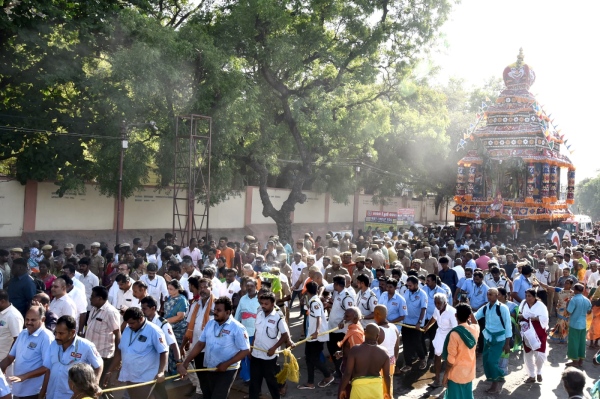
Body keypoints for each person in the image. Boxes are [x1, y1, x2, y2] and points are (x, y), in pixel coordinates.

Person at [177, 297, 251, 399]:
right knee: (208, 395)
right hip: (210, 367)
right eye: (214, 309)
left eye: (219, 310)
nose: (215, 312)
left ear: (228, 312)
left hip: (227, 369)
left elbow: (245, 350)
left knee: (218, 396)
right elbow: (200, 344)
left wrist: (226, 364)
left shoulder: (237, 328)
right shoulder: (210, 324)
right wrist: (185, 363)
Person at [106, 307, 167, 399]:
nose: (130, 326)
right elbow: (120, 351)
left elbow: (163, 351)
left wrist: (161, 372)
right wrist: (110, 370)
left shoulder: (154, 330)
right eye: (128, 323)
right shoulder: (127, 330)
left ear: (141, 319)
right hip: (130, 375)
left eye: (132, 323)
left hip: (145, 376)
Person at [40, 316, 103, 399]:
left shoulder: (86, 346)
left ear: (72, 332)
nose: (57, 336)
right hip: (52, 395)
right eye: (56, 332)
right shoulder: (53, 344)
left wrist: (95, 384)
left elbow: (99, 365)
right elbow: (48, 370)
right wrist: (42, 394)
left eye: (61, 333)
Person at [0, 305, 53, 399]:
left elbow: (47, 367)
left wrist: (24, 376)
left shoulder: (46, 337)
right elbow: (10, 357)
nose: (29, 322)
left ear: (43, 319)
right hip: (17, 389)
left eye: (33, 320)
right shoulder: (23, 333)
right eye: (27, 319)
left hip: (34, 391)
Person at [249, 292, 293, 399]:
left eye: (266, 304)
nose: (263, 306)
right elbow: (256, 331)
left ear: (273, 304)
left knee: (271, 383)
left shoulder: (278, 318)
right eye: (262, 303)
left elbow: (285, 335)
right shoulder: (259, 314)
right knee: (254, 383)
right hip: (256, 355)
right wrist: (252, 346)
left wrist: (274, 348)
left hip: (269, 357)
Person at [84, 286, 121, 396]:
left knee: (102, 388)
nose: (90, 298)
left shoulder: (111, 312)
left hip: (104, 357)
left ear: (100, 298)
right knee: (90, 387)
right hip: (90, 355)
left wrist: (117, 358)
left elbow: (117, 334)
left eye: (92, 296)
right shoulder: (93, 309)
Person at [474, 288, 512, 394]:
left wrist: (507, 344)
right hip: (488, 338)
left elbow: (508, 326)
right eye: (488, 294)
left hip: (499, 339)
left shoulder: (503, 308)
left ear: (497, 295)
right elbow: (475, 316)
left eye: (491, 294)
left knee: (492, 362)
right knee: (486, 361)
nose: (489, 296)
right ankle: (500, 375)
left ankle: (495, 385)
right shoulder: (486, 307)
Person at [338, 324, 391, 399]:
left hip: (358, 388)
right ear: (377, 336)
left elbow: (348, 373)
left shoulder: (355, 350)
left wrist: (342, 389)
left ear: (364, 333)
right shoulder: (384, 352)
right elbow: (387, 375)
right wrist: (387, 392)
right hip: (376, 388)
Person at [298, 281, 334, 390]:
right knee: (309, 358)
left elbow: (318, 317)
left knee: (313, 358)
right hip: (312, 335)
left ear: (307, 291)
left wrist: (317, 331)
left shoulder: (314, 302)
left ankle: (328, 376)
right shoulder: (313, 300)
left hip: (316, 336)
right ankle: (310, 382)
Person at [441, 303, 480, 399]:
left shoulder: (454, 334)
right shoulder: (475, 329)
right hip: (469, 372)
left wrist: (446, 375)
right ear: (469, 316)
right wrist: (470, 312)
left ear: (456, 315)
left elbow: (451, 359)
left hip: (456, 373)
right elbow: (476, 323)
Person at [423, 292, 457, 388]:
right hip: (439, 334)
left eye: (439, 303)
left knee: (450, 359)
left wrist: (453, 341)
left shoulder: (452, 312)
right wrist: (426, 327)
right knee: (437, 355)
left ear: (445, 302)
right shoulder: (437, 309)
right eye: (435, 303)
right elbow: (434, 318)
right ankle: (437, 379)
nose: (437, 305)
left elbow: (455, 328)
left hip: (450, 336)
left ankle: (449, 379)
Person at [518, 288, 549, 383]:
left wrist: (535, 318)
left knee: (539, 354)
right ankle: (531, 375)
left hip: (538, 331)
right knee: (528, 354)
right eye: (526, 296)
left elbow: (545, 318)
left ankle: (539, 371)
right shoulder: (523, 303)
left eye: (529, 296)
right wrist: (521, 316)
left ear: (534, 296)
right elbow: (519, 313)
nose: (527, 298)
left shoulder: (541, 306)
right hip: (526, 331)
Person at [327, 275, 355, 377]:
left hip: (340, 331)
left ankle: (342, 373)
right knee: (332, 351)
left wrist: (343, 321)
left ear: (337, 284)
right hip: (332, 329)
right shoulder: (338, 294)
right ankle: (339, 370)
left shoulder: (347, 297)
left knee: (338, 352)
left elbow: (351, 313)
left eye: (334, 284)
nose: (333, 285)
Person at [234, 278, 259, 383]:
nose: (249, 288)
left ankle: (256, 377)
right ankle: (247, 378)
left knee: (255, 356)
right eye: (247, 286)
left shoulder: (260, 298)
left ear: (256, 287)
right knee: (244, 356)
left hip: (257, 333)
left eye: (251, 286)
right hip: (244, 333)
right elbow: (237, 315)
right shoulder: (243, 299)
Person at [400, 276, 428, 372]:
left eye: (410, 285)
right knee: (406, 344)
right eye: (407, 285)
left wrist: (419, 322)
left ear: (416, 284)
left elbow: (423, 309)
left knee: (417, 343)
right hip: (406, 323)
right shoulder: (407, 292)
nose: (408, 287)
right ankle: (408, 364)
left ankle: (423, 359)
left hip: (417, 324)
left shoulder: (423, 294)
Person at [373, 305, 399, 397]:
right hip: (391, 361)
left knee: (378, 387)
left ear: (376, 314)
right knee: (388, 385)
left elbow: (372, 351)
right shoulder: (394, 327)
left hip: (379, 364)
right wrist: (394, 359)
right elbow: (397, 347)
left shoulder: (377, 331)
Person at [163, 280, 188, 373]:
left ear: (178, 289)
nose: (169, 291)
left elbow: (180, 316)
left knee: (175, 351)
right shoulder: (170, 298)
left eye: (171, 289)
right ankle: (170, 370)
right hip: (168, 327)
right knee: (168, 350)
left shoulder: (181, 300)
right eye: (168, 289)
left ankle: (176, 372)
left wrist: (164, 321)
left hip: (178, 329)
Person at [565, 283, 592, 368]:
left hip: (574, 324)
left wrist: (567, 304)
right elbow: (589, 311)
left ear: (576, 290)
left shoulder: (573, 299)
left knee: (573, 342)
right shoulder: (587, 300)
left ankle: (575, 361)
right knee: (581, 342)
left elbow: (569, 312)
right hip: (583, 324)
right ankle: (580, 361)